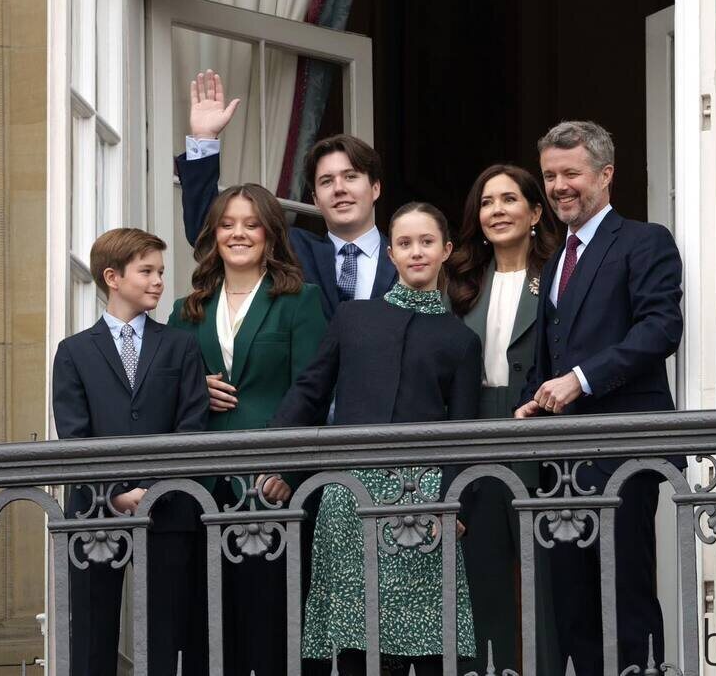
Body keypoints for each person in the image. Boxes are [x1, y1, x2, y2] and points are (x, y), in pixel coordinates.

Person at [272, 202, 481, 676]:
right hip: (350, 493)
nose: (416, 252)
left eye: (427, 242)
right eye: (405, 244)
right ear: (390, 254)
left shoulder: (460, 339)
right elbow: (310, 390)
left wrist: (454, 505)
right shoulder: (353, 317)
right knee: (354, 644)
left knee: (431, 645)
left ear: (446, 250)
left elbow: (463, 433)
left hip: (423, 499)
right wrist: (273, 455)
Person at [514, 121, 684, 675]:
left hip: (623, 450)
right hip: (562, 458)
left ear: (606, 175)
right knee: (574, 609)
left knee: (625, 597)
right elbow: (554, 352)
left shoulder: (644, 240)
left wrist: (581, 379)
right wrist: (534, 397)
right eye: (550, 175)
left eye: (571, 173)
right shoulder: (555, 258)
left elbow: (660, 329)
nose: (559, 185)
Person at [167, 182, 327, 676]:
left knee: (272, 633)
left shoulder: (300, 300)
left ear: (271, 234)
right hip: (204, 490)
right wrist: (196, 387)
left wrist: (290, 472)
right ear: (213, 235)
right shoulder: (185, 310)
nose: (238, 233)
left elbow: (314, 392)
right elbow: (167, 399)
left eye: (251, 223)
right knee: (209, 637)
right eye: (227, 224)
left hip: (272, 488)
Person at [52, 228, 209, 676]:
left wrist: (152, 491)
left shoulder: (181, 345)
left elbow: (191, 427)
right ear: (112, 277)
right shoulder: (74, 352)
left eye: (160, 271)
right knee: (91, 636)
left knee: (166, 633)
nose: (159, 280)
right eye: (147, 271)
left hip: (170, 511)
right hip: (94, 514)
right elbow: (75, 438)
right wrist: (115, 492)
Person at [446, 164, 563, 675]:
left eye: (509, 199)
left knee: (544, 581)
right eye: (487, 202)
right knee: (482, 571)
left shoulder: (560, 273)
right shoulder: (461, 282)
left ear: (535, 212)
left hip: (542, 432)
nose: (497, 210)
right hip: (475, 432)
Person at [178, 69, 397, 323]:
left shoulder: (407, 254)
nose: (339, 188)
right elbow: (207, 234)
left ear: (376, 188)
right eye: (326, 181)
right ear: (315, 199)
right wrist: (204, 139)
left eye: (350, 177)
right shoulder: (291, 248)